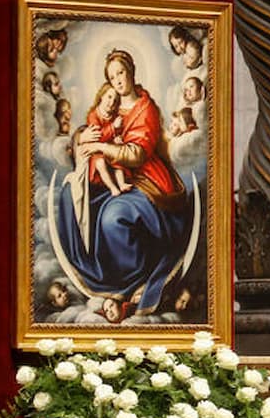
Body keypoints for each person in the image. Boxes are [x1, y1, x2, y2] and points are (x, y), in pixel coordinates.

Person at [55, 49, 191, 315]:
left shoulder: (146, 109)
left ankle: (131, 277)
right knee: (69, 196)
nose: (117, 80)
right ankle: (99, 272)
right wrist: (82, 140)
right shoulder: (111, 103)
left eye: (120, 72)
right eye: (112, 76)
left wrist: (101, 147)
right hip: (115, 176)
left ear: (131, 71)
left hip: (147, 179)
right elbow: (90, 128)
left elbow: (136, 154)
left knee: (113, 216)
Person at [85, 84, 132, 196]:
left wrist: (117, 138)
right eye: (109, 97)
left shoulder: (114, 116)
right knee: (100, 163)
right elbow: (97, 137)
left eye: (115, 101)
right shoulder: (93, 116)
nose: (111, 103)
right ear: (101, 96)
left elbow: (118, 132)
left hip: (109, 147)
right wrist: (112, 127)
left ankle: (121, 184)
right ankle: (113, 188)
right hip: (96, 151)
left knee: (117, 159)